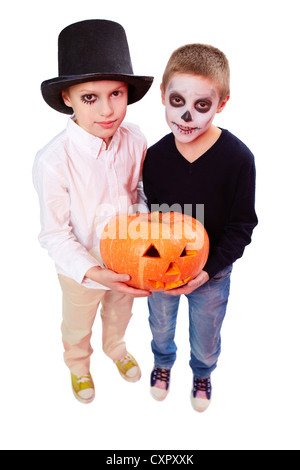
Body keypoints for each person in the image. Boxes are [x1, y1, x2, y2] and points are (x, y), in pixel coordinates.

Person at [33, 20, 153, 404]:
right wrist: (93, 271)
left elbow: (141, 191)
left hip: (130, 260)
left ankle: (115, 349)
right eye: (90, 97)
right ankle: (78, 365)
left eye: (116, 93)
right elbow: (55, 234)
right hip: (80, 269)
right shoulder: (53, 160)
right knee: (77, 322)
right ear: (67, 97)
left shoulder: (135, 138)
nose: (107, 109)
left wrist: (149, 236)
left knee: (120, 315)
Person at [143, 43, 258, 412]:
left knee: (206, 335)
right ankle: (162, 364)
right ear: (162, 96)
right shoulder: (156, 157)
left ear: (222, 103)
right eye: (177, 101)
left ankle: (202, 371)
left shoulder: (238, 158)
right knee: (160, 324)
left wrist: (208, 270)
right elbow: (150, 217)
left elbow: (242, 225)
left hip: (214, 274)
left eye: (201, 105)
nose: (187, 116)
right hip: (163, 269)